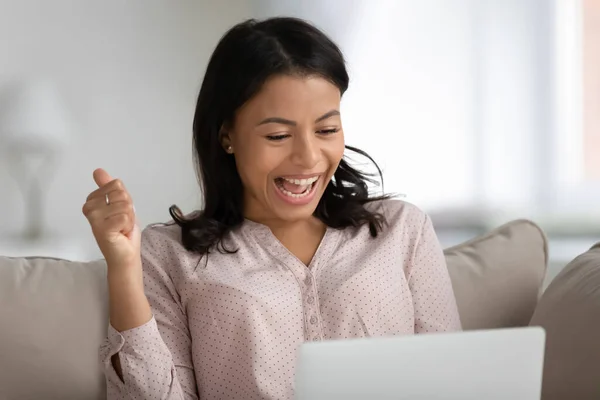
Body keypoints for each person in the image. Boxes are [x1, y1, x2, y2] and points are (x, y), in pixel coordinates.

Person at [82, 16, 461, 400]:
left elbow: (453, 381)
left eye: (327, 130)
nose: (309, 157)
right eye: (278, 135)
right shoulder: (168, 255)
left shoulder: (402, 230)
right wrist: (124, 269)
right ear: (226, 135)